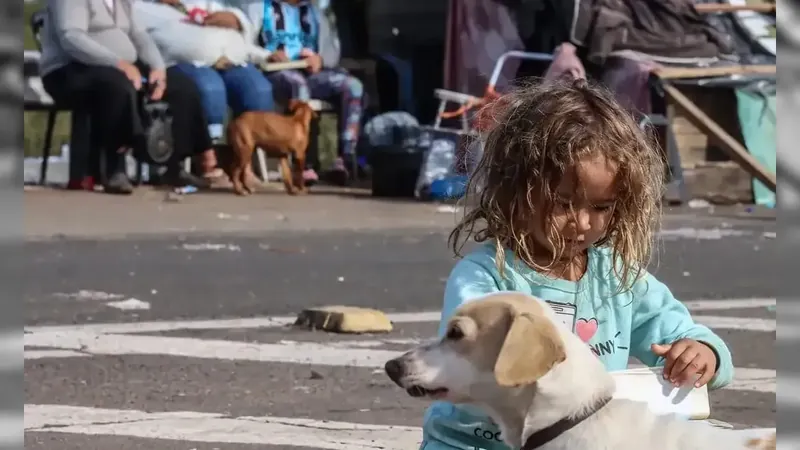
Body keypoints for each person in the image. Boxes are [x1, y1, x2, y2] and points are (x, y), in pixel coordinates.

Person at [420, 80, 734, 450]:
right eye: (563, 203)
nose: (582, 223)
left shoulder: (616, 278)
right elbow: (462, 370)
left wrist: (700, 353)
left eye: (600, 207)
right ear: (516, 190)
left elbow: (682, 335)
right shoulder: (487, 278)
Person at [40, 0, 212, 194]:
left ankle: (170, 164)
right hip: (69, 69)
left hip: (119, 68)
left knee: (181, 86)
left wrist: (157, 67)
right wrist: (118, 64)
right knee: (116, 85)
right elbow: (71, 37)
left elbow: (139, 35)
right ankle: (113, 168)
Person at [225, 0, 365, 183]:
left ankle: (346, 158)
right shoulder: (259, 8)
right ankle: (303, 162)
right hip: (276, 73)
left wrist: (320, 59)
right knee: (298, 85)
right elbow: (243, 44)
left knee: (353, 87)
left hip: (311, 72)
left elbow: (332, 50)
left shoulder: (315, 13)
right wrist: (267, 55)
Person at [137, 0, 276, 183]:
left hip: (231, 59)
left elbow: (240, 27)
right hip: (179, 63)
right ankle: (208, 163)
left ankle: (244, 165)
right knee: (210, 88)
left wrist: (236, 19)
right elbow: (156, 41)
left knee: (257, 89)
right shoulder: (141, 7)